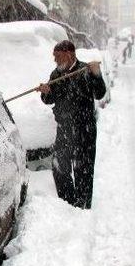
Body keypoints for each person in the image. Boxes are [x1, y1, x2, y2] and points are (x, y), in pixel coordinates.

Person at [38, 40, 106, 209]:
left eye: (57, 56)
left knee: (83, 168)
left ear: (69, 54)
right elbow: (50, 99)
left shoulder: (86, 70)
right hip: (64, 129)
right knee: (59, 166)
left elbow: (100, 93)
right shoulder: (56, 74)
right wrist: (46, 93)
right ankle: (68, 203)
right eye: (54, 57)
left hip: (85, 128)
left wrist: (97, 75)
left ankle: (82, 205)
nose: (55, 60)